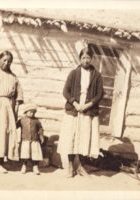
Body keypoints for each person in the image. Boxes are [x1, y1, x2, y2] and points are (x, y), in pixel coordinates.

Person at [58, 46, 104, 178]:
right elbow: (65, 91)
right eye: (83, 58)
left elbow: (100, 94)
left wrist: (88, 105)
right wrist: (75, 103)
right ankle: (71, 166)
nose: (86, 60)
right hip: (74, 110)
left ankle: (81, 166)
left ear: (92, 59)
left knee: (84, 138)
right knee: (71, 138)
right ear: (80, 59)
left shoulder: (97, 75)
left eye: (88, 58)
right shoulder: (74, 73)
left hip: (88, 111)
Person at [16, 103, 44, 175]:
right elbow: (15, 126)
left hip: (35, 140)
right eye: (30, 112)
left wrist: (41, 136)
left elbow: (40, 129)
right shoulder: (22, 120)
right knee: (25, 154)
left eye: (33, 112)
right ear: (26, 112)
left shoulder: (36, 121)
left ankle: (35, 166)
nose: (32, 113)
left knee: (35, 154)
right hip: (25, 140)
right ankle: (24, 166)